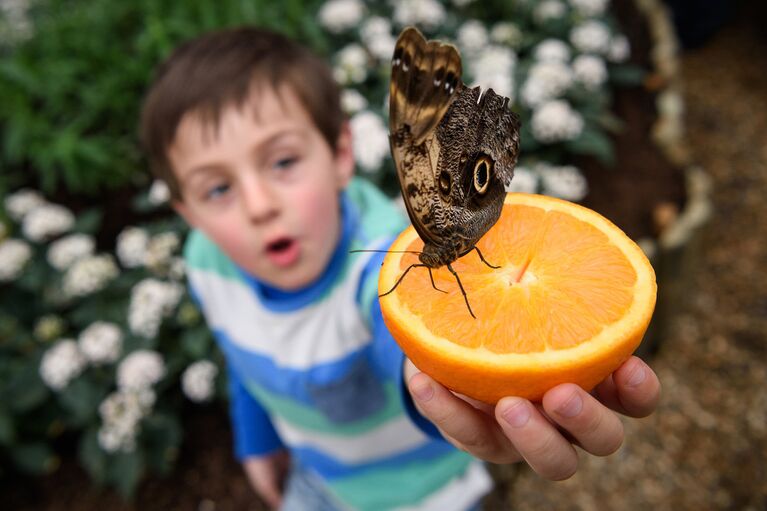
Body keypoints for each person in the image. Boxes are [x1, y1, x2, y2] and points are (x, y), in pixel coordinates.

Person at [140, 26, 661, 511]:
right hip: (317, 484)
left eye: (282, 162)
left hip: (429, 497)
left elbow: (418, 355)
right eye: (217, 188)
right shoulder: (208, 265)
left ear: (341, 152)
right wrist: (255, 442)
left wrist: (468, 400)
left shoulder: (382, 270)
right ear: (188, 213)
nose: (258, 205)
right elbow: (243, 352)